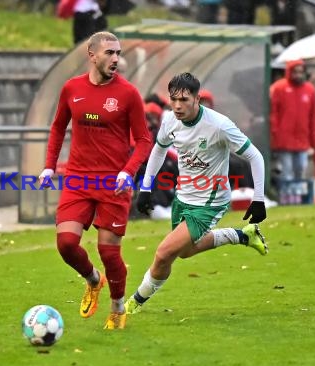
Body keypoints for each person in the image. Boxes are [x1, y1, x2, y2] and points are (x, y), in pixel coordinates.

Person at [124, 72, 268, 315]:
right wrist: (146, 187)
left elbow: (254, 155)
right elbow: (158, 151)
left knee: (163, 254)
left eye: (184, 100)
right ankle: (242, 236)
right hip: (183, 197)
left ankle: (133, 303)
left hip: (210, 202)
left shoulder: (219, 125)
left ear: (197, 99)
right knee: (186, 252)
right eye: (173, 100)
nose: (178, 106)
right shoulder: (170, 120)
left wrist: (259, 199)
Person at [38, 31, 151, 329]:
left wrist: (128, 172)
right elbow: (57, 128)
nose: (116, 58)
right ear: (92, 55)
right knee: (65, 244)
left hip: (113, 182)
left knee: (108, 251)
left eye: (118, 53)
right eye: (110, 53)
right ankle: (93, 279)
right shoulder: (71, 88)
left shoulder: (128, 94)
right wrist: (49, 167)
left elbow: (143, 140)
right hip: (77, 178)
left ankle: (117, 307)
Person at [269, 59, 315, 201]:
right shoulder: (279, 88)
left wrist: (314, 139)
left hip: (302, 138)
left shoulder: (310, 90)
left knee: (301, 168)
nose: (298, 75)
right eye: (295, 72)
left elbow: (313, 117)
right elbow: (274, 114)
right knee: (287, 171)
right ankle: (288, 198)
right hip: (284, 139)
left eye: (300, 72)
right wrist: (275, 134)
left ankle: (297, 197)